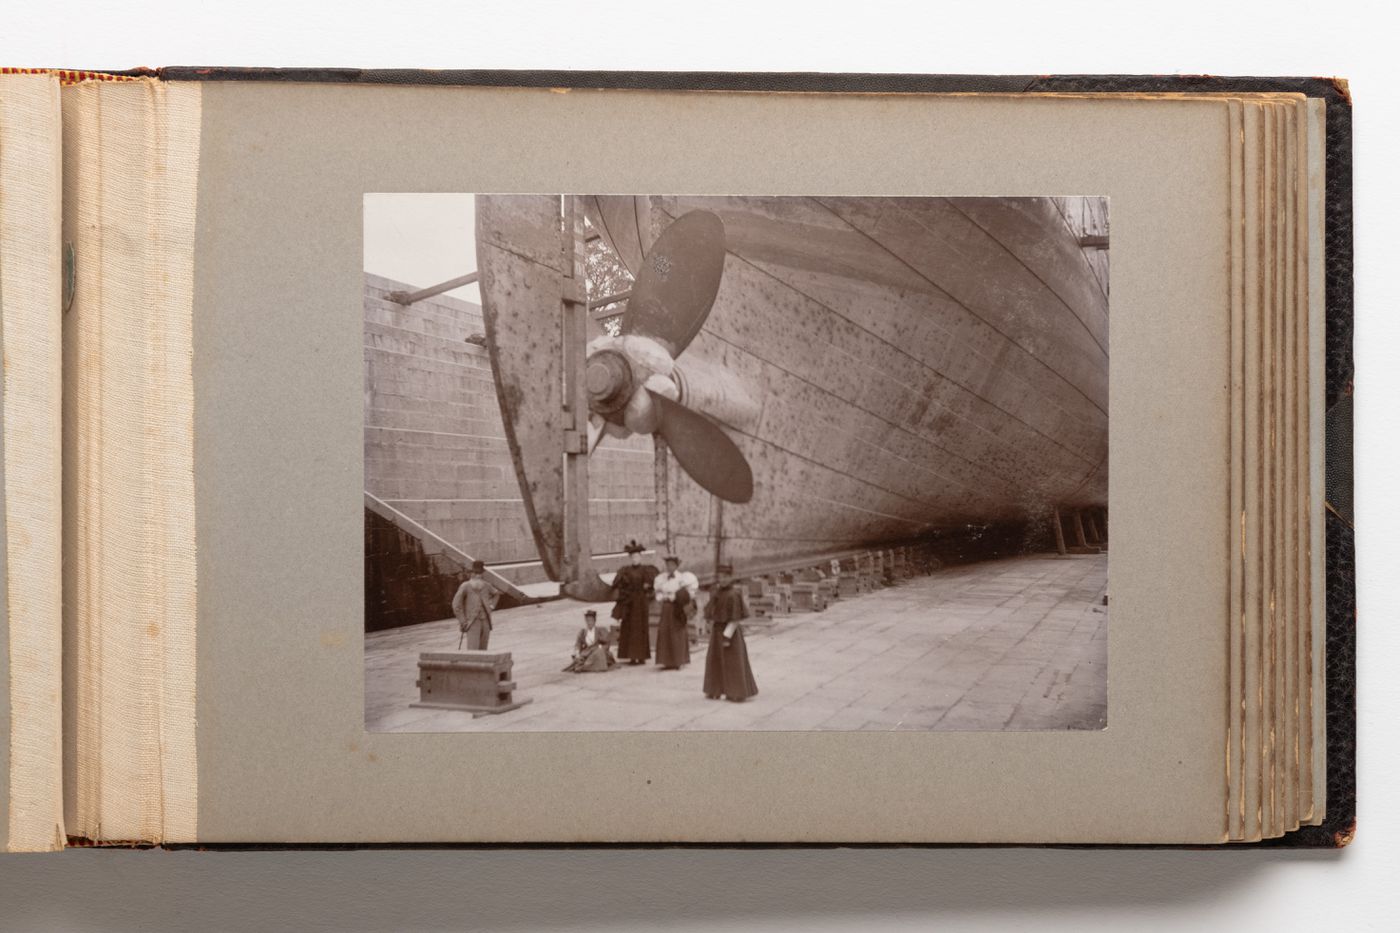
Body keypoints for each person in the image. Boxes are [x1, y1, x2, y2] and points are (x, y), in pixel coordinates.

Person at [702, 563, 759, 702]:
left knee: (732, 662)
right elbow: (710, 610)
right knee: (715, 660)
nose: (722, 580)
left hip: (730, 633)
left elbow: (735, 619)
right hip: (717, 630)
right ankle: (714, 689)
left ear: (731, 578)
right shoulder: (717, 592)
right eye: (720, 577)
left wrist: (727, 636)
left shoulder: (733, 595)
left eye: (725, 577)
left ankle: (736, 691)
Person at [610, 539, 657, 665]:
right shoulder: (625, 570)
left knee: (641, 628)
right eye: (633, 557)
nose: (635, 559)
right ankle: (631, 656)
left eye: (637, 556)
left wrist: (648, 587)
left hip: (641, 602)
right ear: (630, 558)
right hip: (630, 602)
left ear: (641, 557)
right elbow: (619, 585)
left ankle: (641, 656)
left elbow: (651, 585)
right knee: (630, 628)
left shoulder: (646, 570)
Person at [653, 554, 699, 670]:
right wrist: (662, 597)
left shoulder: (682, 578)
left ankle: (679, 660)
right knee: (665, 631)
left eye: (672, 565)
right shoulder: (661, 578)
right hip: (666, 608)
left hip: (677, 608)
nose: (669, 567)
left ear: (676, 566)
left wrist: (675, 596)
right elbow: (658, 593)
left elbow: (687, 594)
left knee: (677, 631)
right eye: (668, 565)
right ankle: (666, 661)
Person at [451, 560, 498, 650]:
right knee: (473, 650)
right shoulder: (465, 586)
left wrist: (492, 606)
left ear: (482, 574)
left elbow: (496, 594)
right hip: (472, 622)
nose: (477, 575)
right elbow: (456, 605)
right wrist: (463, 621)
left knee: (484, 649)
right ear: (471, 573)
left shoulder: (487, 585)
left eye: (479, 573)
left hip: (486, 621)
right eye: (475, 573)